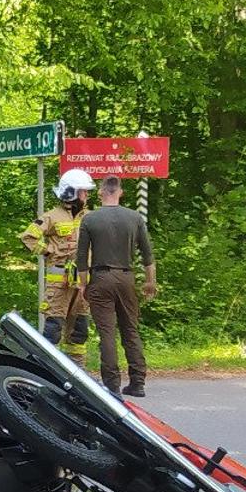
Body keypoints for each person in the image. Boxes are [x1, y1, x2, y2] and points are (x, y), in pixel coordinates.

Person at [74, 176, 157, 396]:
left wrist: (83, 285)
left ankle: (112, 386)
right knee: (130, 329)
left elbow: (81, 257)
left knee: (107, 333)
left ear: (101, 192)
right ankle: (137, 382)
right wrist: (150, 282)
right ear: (120, 192)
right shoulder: (134, 217)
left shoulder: (90, 219)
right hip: (127, 278)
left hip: (100, 279)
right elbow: (148, 254)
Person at [21, 168, 95, 364]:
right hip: (58, 282)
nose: (87, 195)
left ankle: (78, 371)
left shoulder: (91, 217)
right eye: (83, 191)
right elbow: (28, 237)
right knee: (53, 329)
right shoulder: (52, 216)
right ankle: (47, 369)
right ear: (72, 192)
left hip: (82, 282)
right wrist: (49, 252)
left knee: (79, 329)